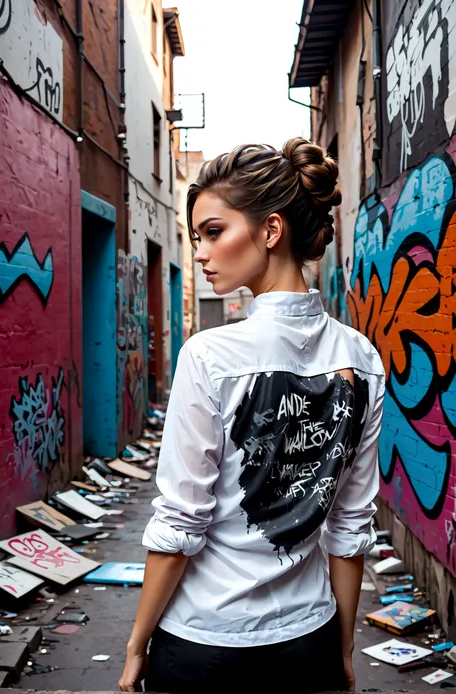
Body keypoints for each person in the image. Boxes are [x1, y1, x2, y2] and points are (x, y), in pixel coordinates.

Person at [119, 137, 385, 694]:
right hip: (309, 642)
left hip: (203, 645)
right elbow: (351, 525)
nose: (199, 253)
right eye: (197, 237)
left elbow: (179, 523)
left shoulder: (209, 357)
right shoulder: (361, 358)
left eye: (213, 232)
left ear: (270, 230)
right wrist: (342, 651)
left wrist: (137, 641)